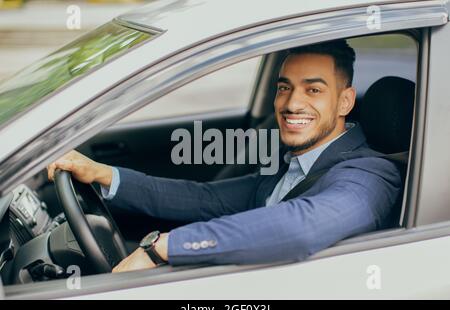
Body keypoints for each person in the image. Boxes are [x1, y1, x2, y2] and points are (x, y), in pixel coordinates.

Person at [47, 40, 402, 273]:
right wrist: (104, 174)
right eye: (284, 88)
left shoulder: (369, 173)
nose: (292, 104)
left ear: (345, 101)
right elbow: (204, 198)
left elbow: (300, 227)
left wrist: (162, 248)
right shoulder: (292, 162)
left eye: (313, 89)